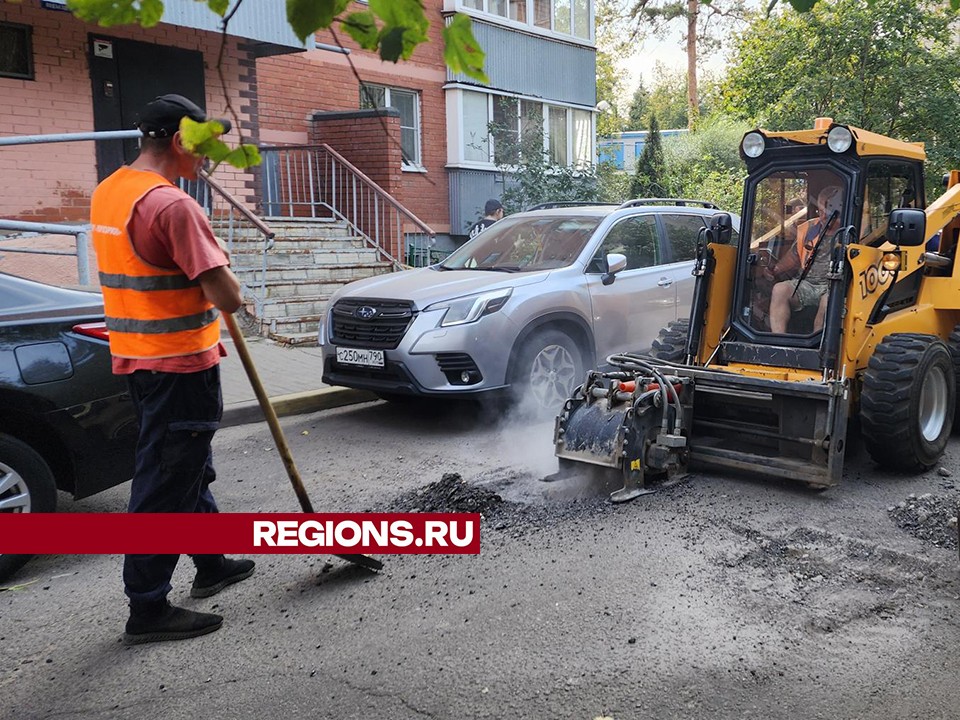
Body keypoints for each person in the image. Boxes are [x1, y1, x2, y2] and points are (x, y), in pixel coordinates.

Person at [90, 94, 255, 645]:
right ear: (181, 142)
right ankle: (148, 607)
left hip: (139, 361)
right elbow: (224, 292)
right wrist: (236, 296)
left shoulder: (111, 191)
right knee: (166, 478)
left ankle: (210, 563)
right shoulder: (174, 206)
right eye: (205, 145)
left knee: (185, 465)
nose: (209, 158)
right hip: (180, 367)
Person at [768, 186, 843, 334]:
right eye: (820, 211)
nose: (822, 217)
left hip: (832, 286)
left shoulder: (850, 232)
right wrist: (775, 270)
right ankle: (779, 343)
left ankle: (818, 346)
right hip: (807, 284)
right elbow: (794, 256)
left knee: (828, 301)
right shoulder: (810, 229)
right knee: (780, 289)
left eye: (827, 213)